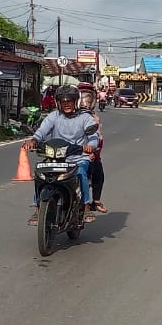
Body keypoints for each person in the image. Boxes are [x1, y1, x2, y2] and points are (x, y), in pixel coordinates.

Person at [24, 85, 102, 225]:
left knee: (81, 173)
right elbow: (42, 131)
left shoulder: (85, 117)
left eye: (69, 101)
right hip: (55, 158)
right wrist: (34, 140)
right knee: (40, 175)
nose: (66, 104)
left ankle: (85, 207)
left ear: (76, 101)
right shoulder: (54, 116)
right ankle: (37, 209)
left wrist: (91, 145)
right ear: (58, 103)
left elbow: (93, 136)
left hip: (78, 157)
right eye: (63, 101)